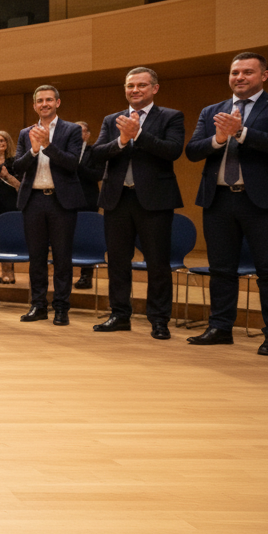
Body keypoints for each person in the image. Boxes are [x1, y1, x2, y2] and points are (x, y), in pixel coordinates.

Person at [184, 52, 268, 356]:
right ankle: (220, 327)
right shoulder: (213, 110)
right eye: (235, 72)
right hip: (219, 199)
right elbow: (194, 151)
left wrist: (242, 132)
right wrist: (219, 139)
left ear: (264, 76)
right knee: (221, 269)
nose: (239, 77)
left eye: (247, 72)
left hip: (265, 203)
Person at [89, 67, 185, 340]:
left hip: (155, 201)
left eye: (141, 85)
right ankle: (119, 315)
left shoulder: (170, 116)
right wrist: (121, 140)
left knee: (157, 262)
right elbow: (96, 154)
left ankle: (159, 319)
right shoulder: (112, 120)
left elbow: (173, 150)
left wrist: (139, 135)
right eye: (130, 86)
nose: (135, 90)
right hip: (117, 200)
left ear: (154, 88)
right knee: (118, 261)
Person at [12, 85, 84, 326]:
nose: (44, 104)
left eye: (49, 100)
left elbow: (73, 163)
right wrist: (33, 150)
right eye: (40, 101)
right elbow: (17, 167)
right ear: (34, 105)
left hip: (60, 202)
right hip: (33, 201)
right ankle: (38, 306)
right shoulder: (25, 133)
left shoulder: (71, 130)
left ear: (58, 103)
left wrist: (48, 146)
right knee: (37, 257)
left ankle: (61, 308)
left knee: (63, 257)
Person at [73, 121, 103, 290]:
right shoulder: (63, 151)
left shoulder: (94, 152)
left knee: (86, 237)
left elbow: (98, 175)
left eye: (80, 131)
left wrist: (77, 166)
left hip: (88, 199)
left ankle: (86, 275)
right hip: (65, 200)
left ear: (87, 135)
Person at [0, 131, 21, 284]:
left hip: (9, 204)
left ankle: (8, 272)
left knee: (6, 240)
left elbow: (21, 186)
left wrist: (7, 176)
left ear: (8, 143)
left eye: (3, 140)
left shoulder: (15, 162)